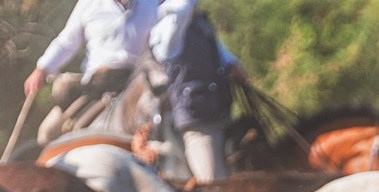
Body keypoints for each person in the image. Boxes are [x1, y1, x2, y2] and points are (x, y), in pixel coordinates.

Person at [149, 0, 239, 181]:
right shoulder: (168, 28)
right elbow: (182, 9)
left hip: (219, 113)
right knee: (214, 185)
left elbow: (222, 54)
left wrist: (233, 64)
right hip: (197, 122)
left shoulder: (199, 23)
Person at [25, 0, 161, 110]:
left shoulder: (152, 3)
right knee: (47, 131)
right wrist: (42, 69)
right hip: (95, 85)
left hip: (138, 83)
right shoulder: (89, 3)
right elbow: (67, 43)